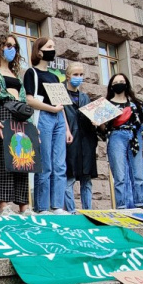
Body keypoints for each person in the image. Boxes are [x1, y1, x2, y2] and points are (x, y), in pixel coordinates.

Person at [24, 37, 71, 213]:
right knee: (45, 163)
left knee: (60, 164)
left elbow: (61, 104)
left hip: (58, 118)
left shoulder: (54, 76)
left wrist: (66, 127)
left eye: (53, 46)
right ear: (40, 51)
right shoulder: (32, 73)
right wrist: (51, 108)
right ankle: (42, 206)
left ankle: (57, 205)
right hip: (44, 116)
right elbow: (29, 100)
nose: (53, 49)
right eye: (49, 47)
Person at [0, 34, 29, 214]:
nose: (11, 49)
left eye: (14, 46)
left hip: (20, 116)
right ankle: (4, 205)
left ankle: (24, 205)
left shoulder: (16, 75)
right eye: (7, 45)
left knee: (23, 158)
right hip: (2, 113)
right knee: (3, 158)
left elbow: (25, 100)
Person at [101, 73, 143, 209]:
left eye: (121, 81)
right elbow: (103, 129)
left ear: (126, 83)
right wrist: (98, 123)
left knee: (138, 175)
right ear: (111, 86)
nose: (119, 83)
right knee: (119, 176)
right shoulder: (106, 104)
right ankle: (121, 207)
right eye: (116, 81)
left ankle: (140, 206)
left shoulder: (135, 104)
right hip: (116, 136)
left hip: (135, 136)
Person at [61, 62, 96, 212]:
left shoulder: (85, 97)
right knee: (69, 177)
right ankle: (71, 211)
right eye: (76, 74)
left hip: (86, 141)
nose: (79, 77)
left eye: (81, 75)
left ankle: (88, 211)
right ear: (68, 76)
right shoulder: (60, 93)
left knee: (86, 179)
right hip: (70, 140)